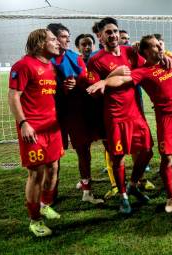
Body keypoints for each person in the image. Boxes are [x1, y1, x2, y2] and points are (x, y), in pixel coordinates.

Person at [87, 35, 172, 213]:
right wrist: (103, 81)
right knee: (167, 158)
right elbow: (122, 79)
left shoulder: (169, 61)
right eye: (156, 46)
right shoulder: (143, 71)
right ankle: (170, 197)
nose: (160, 48)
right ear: (147, 51)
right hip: (165, 119)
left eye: (160, 45)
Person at [86, 17, 152, 214]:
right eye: (108, 32)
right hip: (115, 116)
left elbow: (145, 69)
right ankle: (123, 196)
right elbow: (95, 90)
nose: (113, 35)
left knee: (147, 151)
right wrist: (112, 76)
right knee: (119, 157)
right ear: (100, 36)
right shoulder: (95, 60)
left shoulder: (129, 52)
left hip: (135, 112)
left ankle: (132, 185)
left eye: (115, 31)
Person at [8, 28, 63, 236]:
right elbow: (13, 96)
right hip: (32, 129)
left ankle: (45, 204)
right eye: (52, 40)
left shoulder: (51, 66)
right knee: (36, 173)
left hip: (52, 127)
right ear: (40, 43)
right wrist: (23, 123)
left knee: (53, 168)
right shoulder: (23, 65)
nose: (57, 43)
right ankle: (34, 220)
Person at [47, 23, 104, 205]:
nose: (68, 40)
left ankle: (87, 191)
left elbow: (86, 81)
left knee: (83, 150)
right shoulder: (42, 61)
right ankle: (50, 194)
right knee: (53, 157)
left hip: (76, 113)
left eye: (68, 36)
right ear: (53, 38)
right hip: (52, 115)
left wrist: (82, 85)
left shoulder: (75, 57)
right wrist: (60, 88)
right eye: (64, 36)